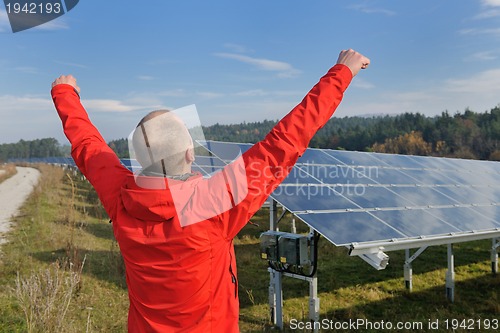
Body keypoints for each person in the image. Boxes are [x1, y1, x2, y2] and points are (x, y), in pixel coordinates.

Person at [51, 49, 370, 332]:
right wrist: (341, 73)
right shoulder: (212, 203)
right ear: (190, 154)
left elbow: (88, 147)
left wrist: (65, 94)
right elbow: (285, 141)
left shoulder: (119, 196)